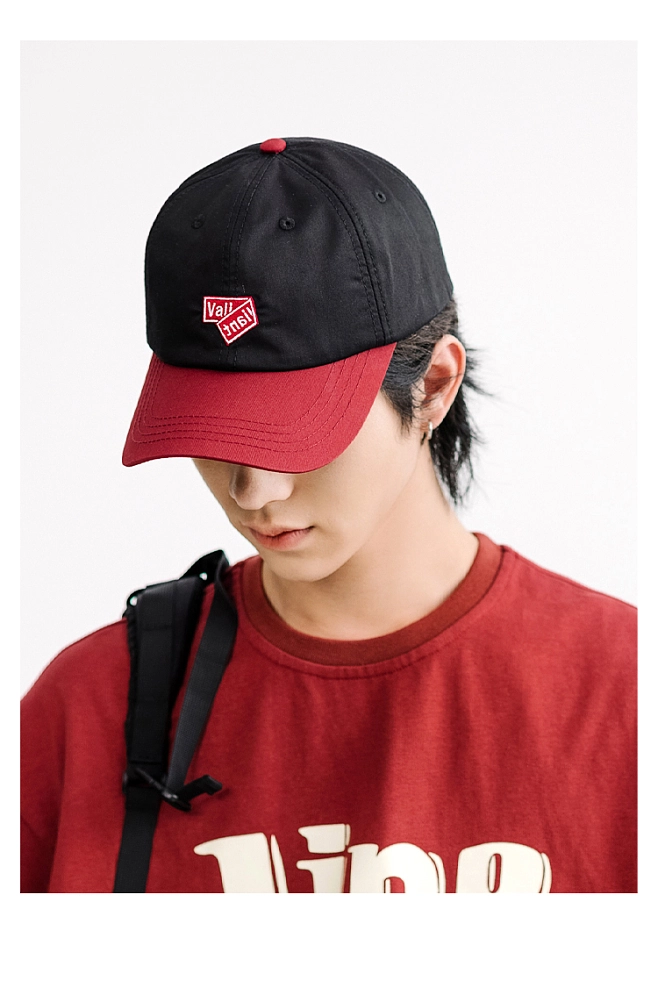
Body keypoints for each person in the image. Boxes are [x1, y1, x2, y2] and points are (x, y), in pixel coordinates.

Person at [20, 136, 636, 893]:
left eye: (296, 435)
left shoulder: (621, 696)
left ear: (433, 387)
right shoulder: (87, 709)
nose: (253, 492)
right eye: (214, 433)